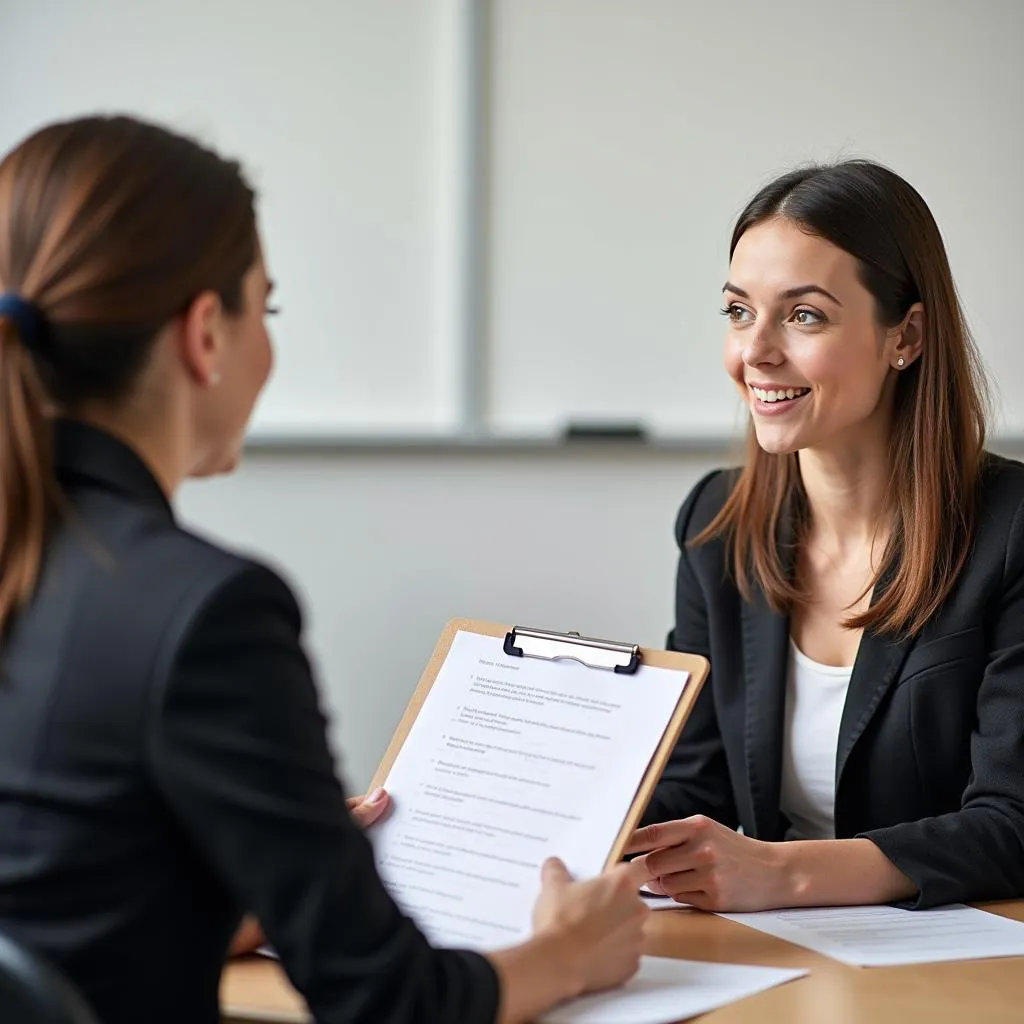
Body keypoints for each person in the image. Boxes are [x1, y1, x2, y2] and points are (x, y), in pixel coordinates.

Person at [0, 115, 648, 1024]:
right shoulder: (206, 612)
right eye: (264, 308)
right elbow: (388, 1000)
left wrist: (258, 872)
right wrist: (568, 954)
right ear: (204, 336)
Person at [627, 160, 1024, 913]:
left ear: (904, 336)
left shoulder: (1012, 530)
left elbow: (1013, 824)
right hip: (779, 951)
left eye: (803, 315)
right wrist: (507, 821)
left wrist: (782, 875)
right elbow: (695, 783)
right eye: (739, 312)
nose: (756, 352)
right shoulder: (719, 525)